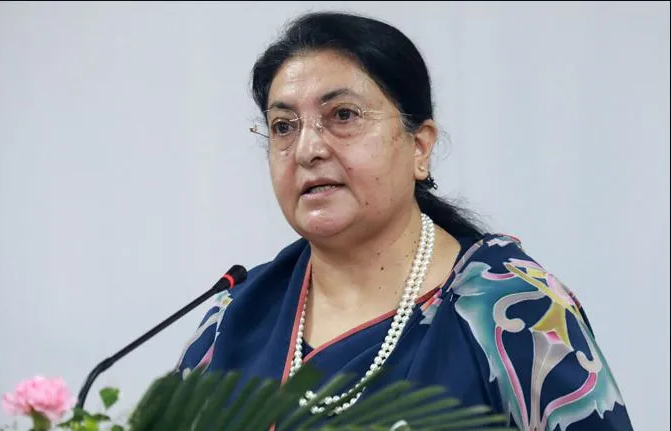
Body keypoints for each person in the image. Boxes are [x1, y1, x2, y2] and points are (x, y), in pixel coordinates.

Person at [175, 11, 633, 430]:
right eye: (283, 126)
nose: (307, 149)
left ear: (419, 146)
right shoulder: (232, 317)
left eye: (343, 116)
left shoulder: (515, 313)